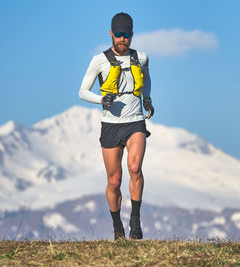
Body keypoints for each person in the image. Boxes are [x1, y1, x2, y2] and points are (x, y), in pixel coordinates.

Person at [79, 12, 154, 240]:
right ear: (111, 34)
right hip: (110, 125)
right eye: (119, 35)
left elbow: (147, 80)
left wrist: (147, 99)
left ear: (132, 35)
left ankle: (136, 221)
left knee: (135, 168)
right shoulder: (98, 60)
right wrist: (101, 100)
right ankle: (117, 226)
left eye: (127, 35)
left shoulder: (141, 57)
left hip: (135, 121)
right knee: (114, 180)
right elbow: (82, 91)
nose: (122, 39)